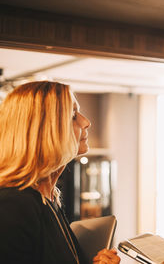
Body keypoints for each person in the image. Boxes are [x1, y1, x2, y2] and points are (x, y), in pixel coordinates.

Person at [0, 81, 120, 264]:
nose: (86, 122)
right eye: (73, 115)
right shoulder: (13, 205)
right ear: (42, 128)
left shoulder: (49, 198)